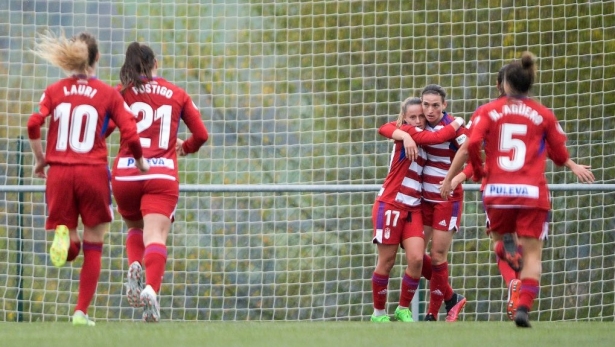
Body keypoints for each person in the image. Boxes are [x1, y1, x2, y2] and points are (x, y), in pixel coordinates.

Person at [439, 65, 594, 321]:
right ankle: (523, 307)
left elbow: (470, 146)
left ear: (503, 85)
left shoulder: (487, 111)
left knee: (500, 242)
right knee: (533, 254)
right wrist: (570, 163)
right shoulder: (542, 113)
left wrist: (470, 172)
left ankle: (506, 254)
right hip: (532, 192)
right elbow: (558, 152)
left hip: (497, 191)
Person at [26, 31, 149, 327]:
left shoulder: (54, 90)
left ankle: (66, 237)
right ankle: (81, 313)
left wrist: (41, 158)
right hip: (92, 173)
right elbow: (129, 131)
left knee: (70, 239)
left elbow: (33, 123)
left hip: (59, 174)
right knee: (95, 243)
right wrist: (141, 160)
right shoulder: (107, 93)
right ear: (97, 58)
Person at [110, 42, 209, 322]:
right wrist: (185, 147)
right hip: (160, 174)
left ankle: (134, 265)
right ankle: (151, 290)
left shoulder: (121, 92)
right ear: (156, 64)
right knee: (155, 236)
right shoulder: (177, 94)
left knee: (135, 228)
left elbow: (103, 129)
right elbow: (201, 134)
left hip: (126, 174)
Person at [370, 97, 465, 322]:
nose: (418, 120)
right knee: (387, 261)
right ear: (403, 119)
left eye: (421, 116)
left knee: (416, 259)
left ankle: (403, 308)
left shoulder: (418, 138)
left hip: (413, 207)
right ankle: (378, 313)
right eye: (412, 117)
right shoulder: (410, 135)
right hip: (391, 203)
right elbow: (437, 135)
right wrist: (457, 120)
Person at [419, 84, 469, 321]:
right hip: (421, 200)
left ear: (444, 106)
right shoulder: (417, 123)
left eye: (435, 105)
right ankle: (451, 297)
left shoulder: (455, 128)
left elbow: (477, 159)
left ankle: (432, 313)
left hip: (446, 201)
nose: (429, 110)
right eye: (425, 104)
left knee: (437, 255)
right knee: (415, 255)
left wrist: (456, 179)